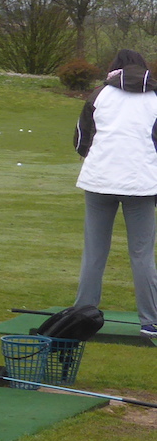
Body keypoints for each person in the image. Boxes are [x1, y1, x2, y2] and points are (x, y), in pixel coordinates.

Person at [72, 48, 157, 342]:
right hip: (141, 185)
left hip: (99, 181)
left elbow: (81, 139)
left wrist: (94, 157)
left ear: (114, 68)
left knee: (94, 252)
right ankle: (151, 322)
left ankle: (82, 315)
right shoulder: (155, 98)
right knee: (142, 255)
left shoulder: (99, 95)